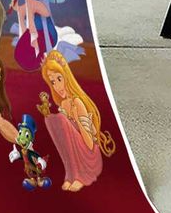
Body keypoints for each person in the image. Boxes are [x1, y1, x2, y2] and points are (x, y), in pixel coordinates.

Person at [40, 50, 115, 191]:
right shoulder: (63, 104)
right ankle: (72, 174)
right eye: (53, 82)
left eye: (59, 79)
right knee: (52, 120)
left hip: (89, 158)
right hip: (74, 156)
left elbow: (90, 144)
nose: (57, 86)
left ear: (67, 77)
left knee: (61, 119)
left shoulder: (77, 103)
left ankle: (81, 176)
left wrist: (77, 121)